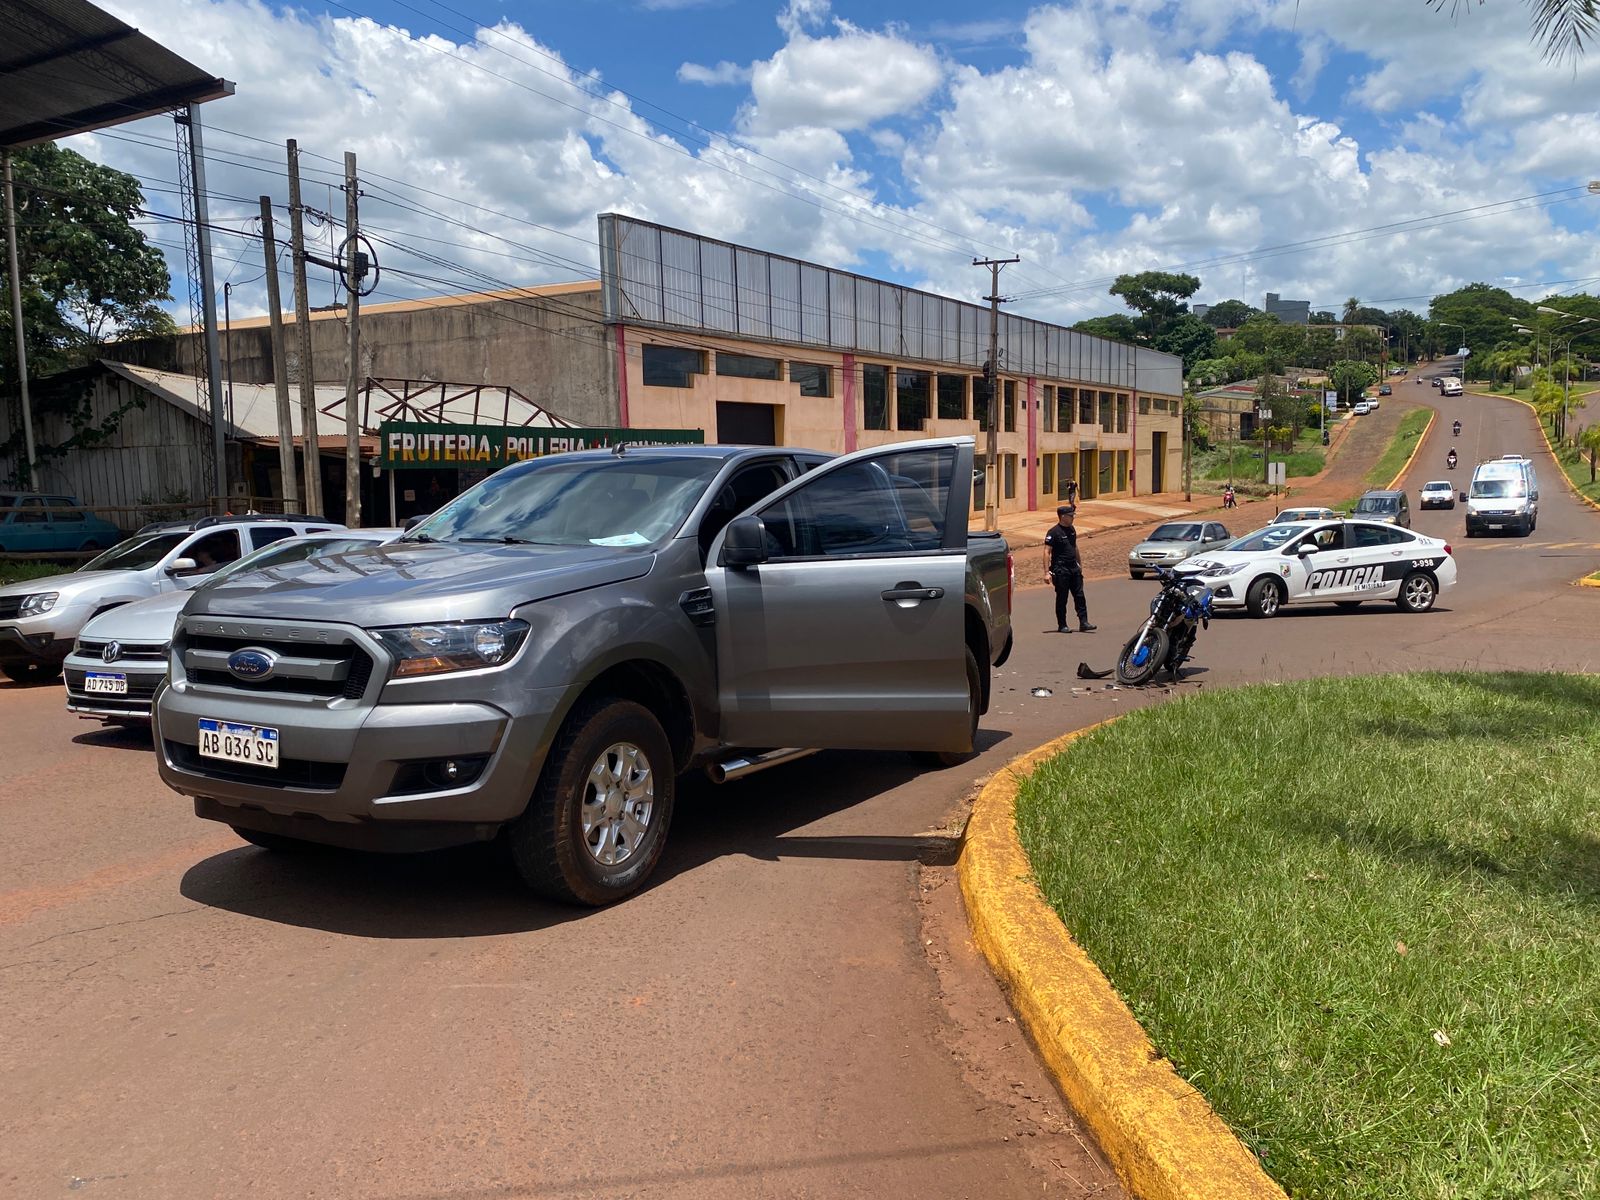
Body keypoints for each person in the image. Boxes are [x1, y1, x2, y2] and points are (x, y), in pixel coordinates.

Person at [1043, 504, 1095, 634]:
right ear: (1063, 517)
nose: (1073, 518)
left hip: (1073, 568)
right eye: (1071, 516)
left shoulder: (1072, 529)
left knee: (1079, 595)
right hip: (1061, 569)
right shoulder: (1053, 532)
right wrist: (1046, 573)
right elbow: (1046, 552)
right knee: (1062, 598)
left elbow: (1074, 547)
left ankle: (1084, 622)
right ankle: (1062, 624)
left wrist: (1079, 564)